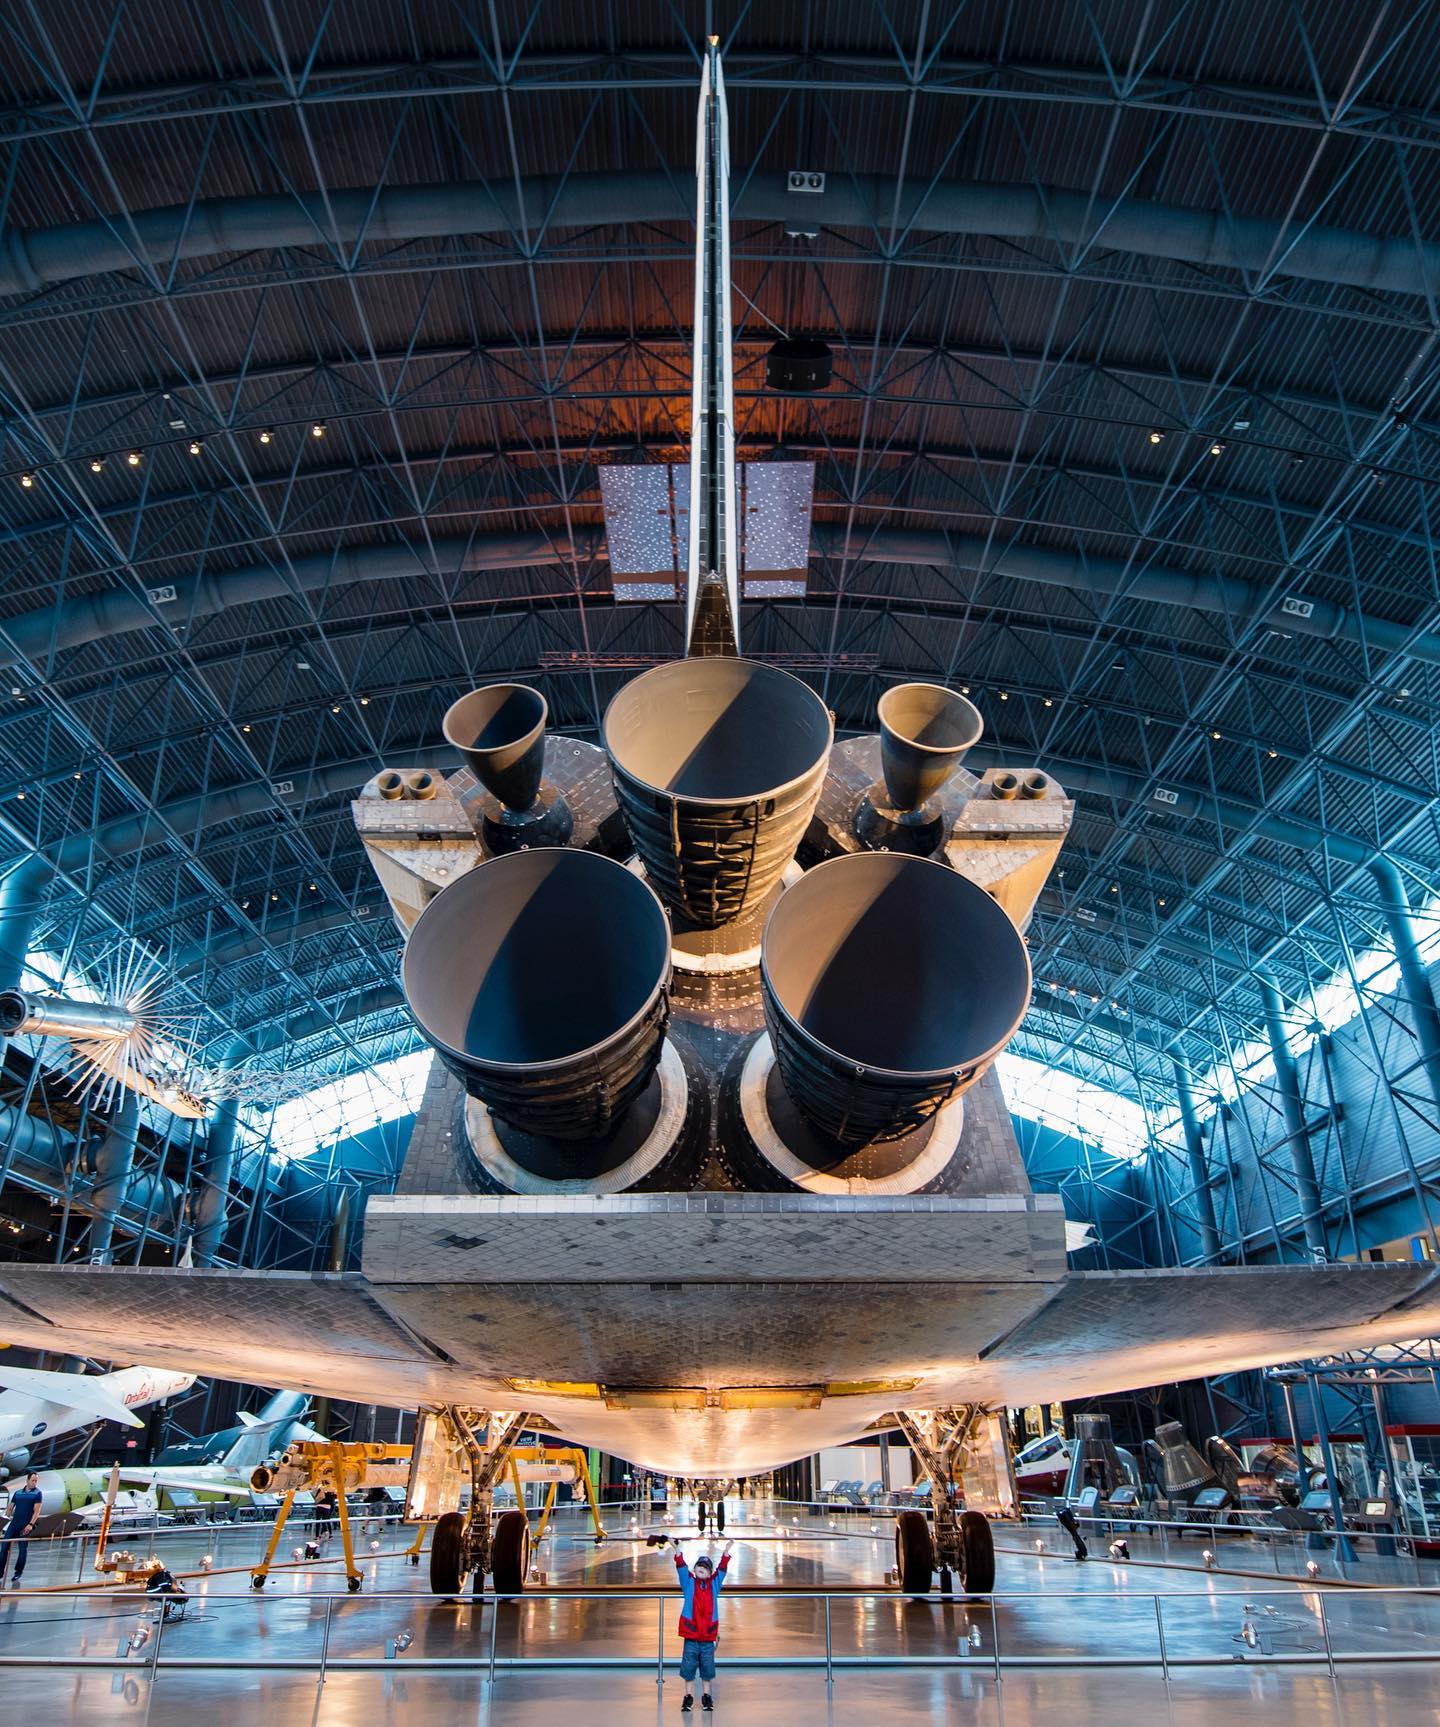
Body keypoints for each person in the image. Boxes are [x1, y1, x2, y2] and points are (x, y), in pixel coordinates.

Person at [668, 1536, 732, 1712]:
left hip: (707, 1636)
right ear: (694, 1569)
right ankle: (688, 1696)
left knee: (707, 1669)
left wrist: (726, 1552)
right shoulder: (688, 1583)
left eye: (706, 1567)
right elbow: (681, 1566)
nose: (701, 1569)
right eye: (699, 1566)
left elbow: (722, 1570)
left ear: (710, 1573)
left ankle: (706, 1696)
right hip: (691, 1635)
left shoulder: (714, 1585)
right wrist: (676, 1549)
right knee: (688, 1667)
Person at [0, 1472, 43, 1588]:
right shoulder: (18, 1493)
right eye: (33, 1480)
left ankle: (18, 1573)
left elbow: (37, 1511)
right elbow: (10, 1507)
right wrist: (5, 1519)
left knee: (22, 1550)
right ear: (27, 1480)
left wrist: (31, 1524)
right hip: (14, 1524)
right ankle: (0, 1572)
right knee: (4, 1547)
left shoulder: (37, 1493)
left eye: (36, 1481)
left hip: (25, 1525)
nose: (34, 1483)